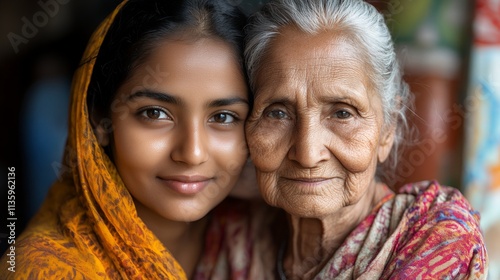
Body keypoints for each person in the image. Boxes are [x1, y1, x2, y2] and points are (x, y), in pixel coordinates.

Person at [0, 0, 275, 278]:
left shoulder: (267, 235)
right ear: (100, 121)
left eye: (224, 117)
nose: (192, 153)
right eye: (155, 113)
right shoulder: (45, 271)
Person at [244, 0, 488, 279]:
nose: (308, 153)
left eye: (342, 113)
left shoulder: (438, 238)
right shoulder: (235, 233)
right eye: (277, 113)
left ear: (387, 130)